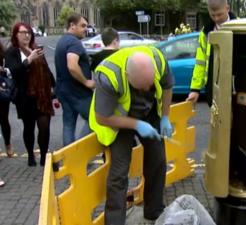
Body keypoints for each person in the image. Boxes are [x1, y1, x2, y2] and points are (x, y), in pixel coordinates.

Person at [89, 46, 174, 224]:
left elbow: (167, 87)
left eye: (149, 85)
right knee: (119, 171)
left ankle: (154, 210)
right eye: (141, 87)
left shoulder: (158, 59)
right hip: (117, 119)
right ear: (128, 76)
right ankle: (114, 221)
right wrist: (136, 124)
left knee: (158, 158)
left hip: (148, 113)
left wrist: (165, 116)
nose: (146, 89)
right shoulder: (108, 76)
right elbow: (102, 117)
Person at [5, 23, 56, 166]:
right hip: (25, 97)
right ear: (16, 35)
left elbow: (46, 69)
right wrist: (28, 60)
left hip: (42, 96)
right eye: (23, 32)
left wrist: (54, 86)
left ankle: (43, 156)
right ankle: (30, 155)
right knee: (29, 128)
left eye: (28, 32)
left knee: (44, 127)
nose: (27, 35)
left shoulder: (36, 49)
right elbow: (13, 72)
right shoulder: (12, 52)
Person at [55, 13, 94, 146]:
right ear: (72, 25)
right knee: (96, 119)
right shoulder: (74, 42)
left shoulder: (62, 41)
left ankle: (69, 159)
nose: (86, 29)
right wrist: (86, 82)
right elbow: (72, 65)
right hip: (79, 93)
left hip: (64, 91)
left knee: (68, 125)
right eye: (83, 26)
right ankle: (79, 151)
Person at [186, 0, 236, 106]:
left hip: (235, 87)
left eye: (219, 14)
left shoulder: (242, 28)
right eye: (213, 15)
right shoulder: (205, 33)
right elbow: (200, 63)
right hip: (213, 89)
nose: (216, 19)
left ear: (227, 8)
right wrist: (195, 89)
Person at [0, 41, 16, 158]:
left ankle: (8, 144)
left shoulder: (2, 52)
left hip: (1, 90)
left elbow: (8, 69)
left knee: (4, 119)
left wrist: (3, 70)